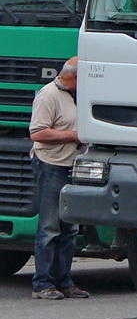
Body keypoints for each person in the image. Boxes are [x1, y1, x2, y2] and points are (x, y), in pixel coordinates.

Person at [28, 56, 89, 300]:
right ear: (75, 77)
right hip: (51, 165)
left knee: (70, 229)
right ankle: (42, 283)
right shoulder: (48, 95)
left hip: (74, 166)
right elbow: (38, 133)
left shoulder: (78, 96)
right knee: (49, 227)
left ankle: (64, 281)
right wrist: (75, 135)